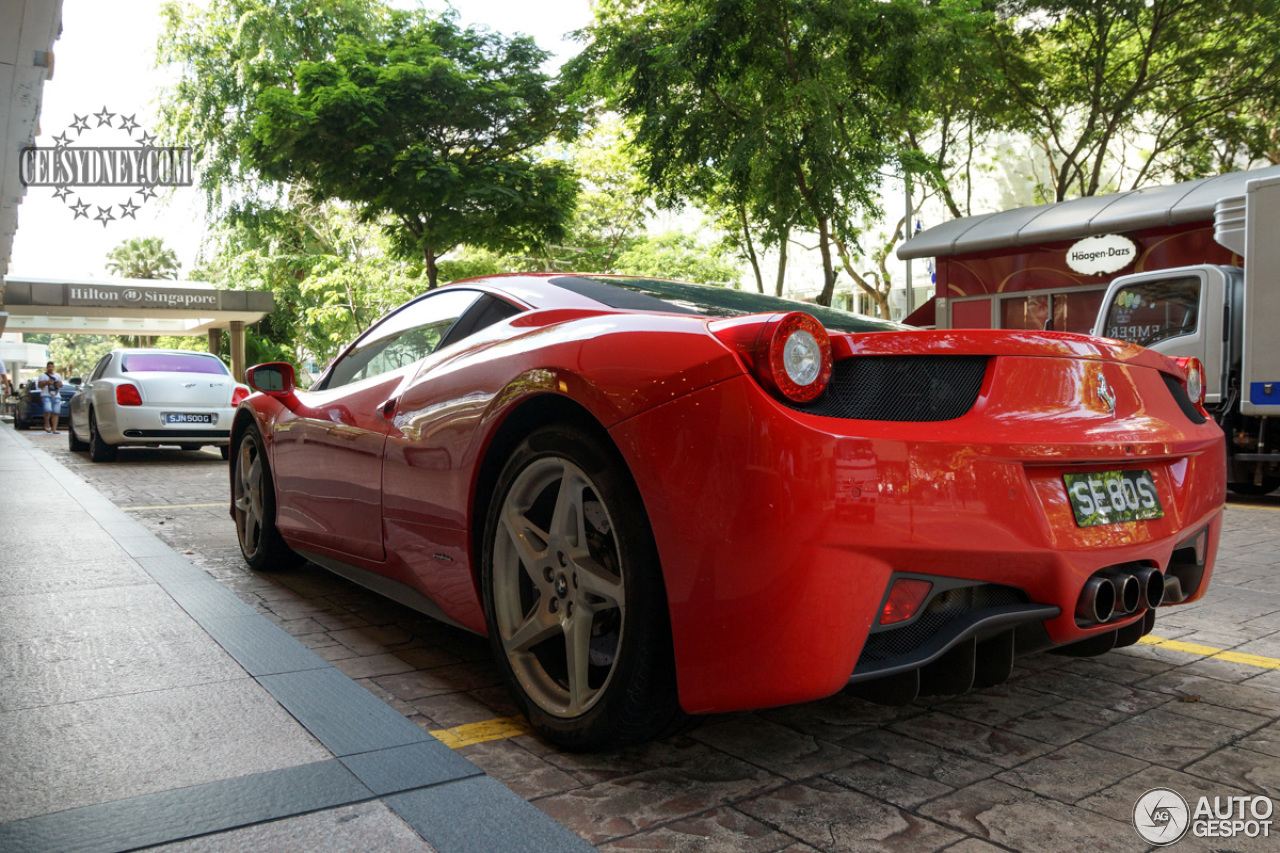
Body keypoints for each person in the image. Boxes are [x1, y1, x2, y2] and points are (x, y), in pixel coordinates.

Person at [37, 361, 63, 434]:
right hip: (46, 394)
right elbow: (39, 386)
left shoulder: (57, 375)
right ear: (47, 367)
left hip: (56, 395)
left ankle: (54, 429)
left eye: (52, 367)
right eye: (49, 367)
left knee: (56, 412)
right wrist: (47, 383)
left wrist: (58, 383)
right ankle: (47, 424)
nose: (50, 368)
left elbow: (61, 385)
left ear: (53, 367)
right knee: (47, 410)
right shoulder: (42, 375)